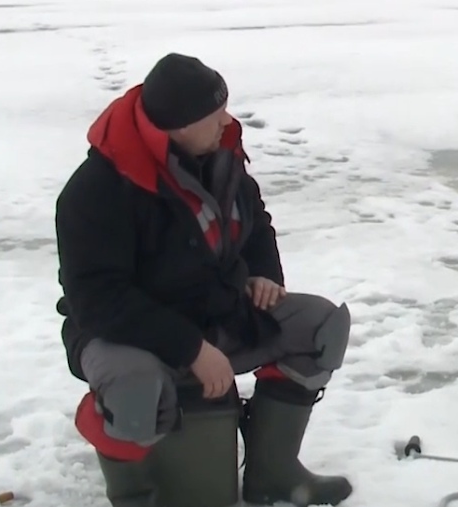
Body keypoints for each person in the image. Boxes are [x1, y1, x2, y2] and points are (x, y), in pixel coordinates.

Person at [54, 53, 354, 507]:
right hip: (123, 335)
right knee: (137, 392)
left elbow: (256, 223)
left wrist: (262, 274)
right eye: (214, 115)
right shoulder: (96, 189)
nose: (226, 121)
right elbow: (97, 299)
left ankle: (273, 475)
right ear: (176, 124)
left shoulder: (220, 154)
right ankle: (137, 497)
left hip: (216, 309)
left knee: (320, 327)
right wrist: (190, 349)